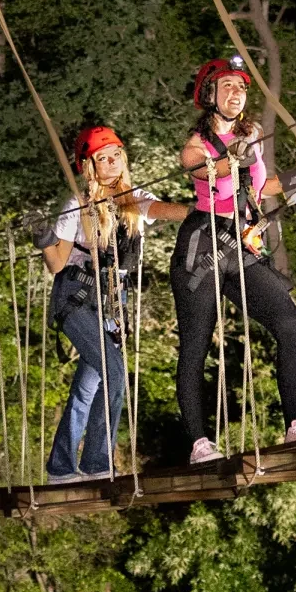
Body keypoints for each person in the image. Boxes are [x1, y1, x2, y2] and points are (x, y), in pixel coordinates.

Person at [171, 56, 296, 466]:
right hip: (203, 245)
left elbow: (258, 190)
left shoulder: (251, 135)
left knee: (289, 320)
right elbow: (199, 170)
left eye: (241, 89)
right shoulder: (196, 143)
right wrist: (230, 157)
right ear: (210, 96)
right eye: (227, 88)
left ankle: (295, 425)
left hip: (240, 246)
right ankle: (200, 442)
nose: (236, 95)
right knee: (196, 344)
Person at [40, 125, 186, 483]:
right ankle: (96, 463)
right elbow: (57, 264)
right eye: (102, 158)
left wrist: (200, 211)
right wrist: (44, 237)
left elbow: (159, 208)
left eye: (115, 155)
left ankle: (61, 468)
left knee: (87, 388)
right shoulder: (77, 204)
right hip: (75, 297)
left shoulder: (134, 198)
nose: (111, 162)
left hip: (111, 300)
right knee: (114, 372)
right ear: (90, 166)